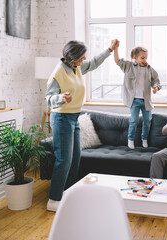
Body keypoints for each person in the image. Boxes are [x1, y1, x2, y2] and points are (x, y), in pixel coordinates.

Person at [45, 39, 118, 212]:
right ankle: (53, 200)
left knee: (75, 158)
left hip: (74, 118)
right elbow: (49, 99)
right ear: (73, 56)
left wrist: (109, 49)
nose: (84, 58)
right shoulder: (58, 73)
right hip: (61, 118)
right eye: (81, 55)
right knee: (64, 160)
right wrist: (61, 98)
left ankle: (68, 194)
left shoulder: (76, 67)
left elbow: (93, 64)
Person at [114, 44, 161, 149]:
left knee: (147, 120)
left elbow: (156, 80)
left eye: (146, 57)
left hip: (146, 101)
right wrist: (115, 48)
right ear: (135, 58)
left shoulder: (150, 69)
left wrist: (156, 87)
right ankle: (130, 139)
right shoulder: (129, 66)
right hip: (134, 100)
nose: (145, 60)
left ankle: (144, 139)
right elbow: (117, 61)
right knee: (134, 120)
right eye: (142, 58)